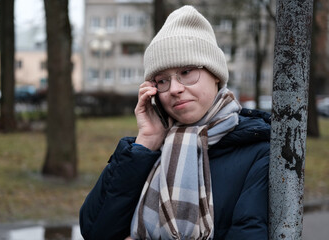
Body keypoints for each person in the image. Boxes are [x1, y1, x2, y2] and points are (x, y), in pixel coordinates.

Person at [80, 5, 270, 240]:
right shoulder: (149, 149)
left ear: (216, 75)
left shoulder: (258, 151)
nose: (175, 89)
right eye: (162, 80)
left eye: (187, 71)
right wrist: (146, 142)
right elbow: (96, 231)